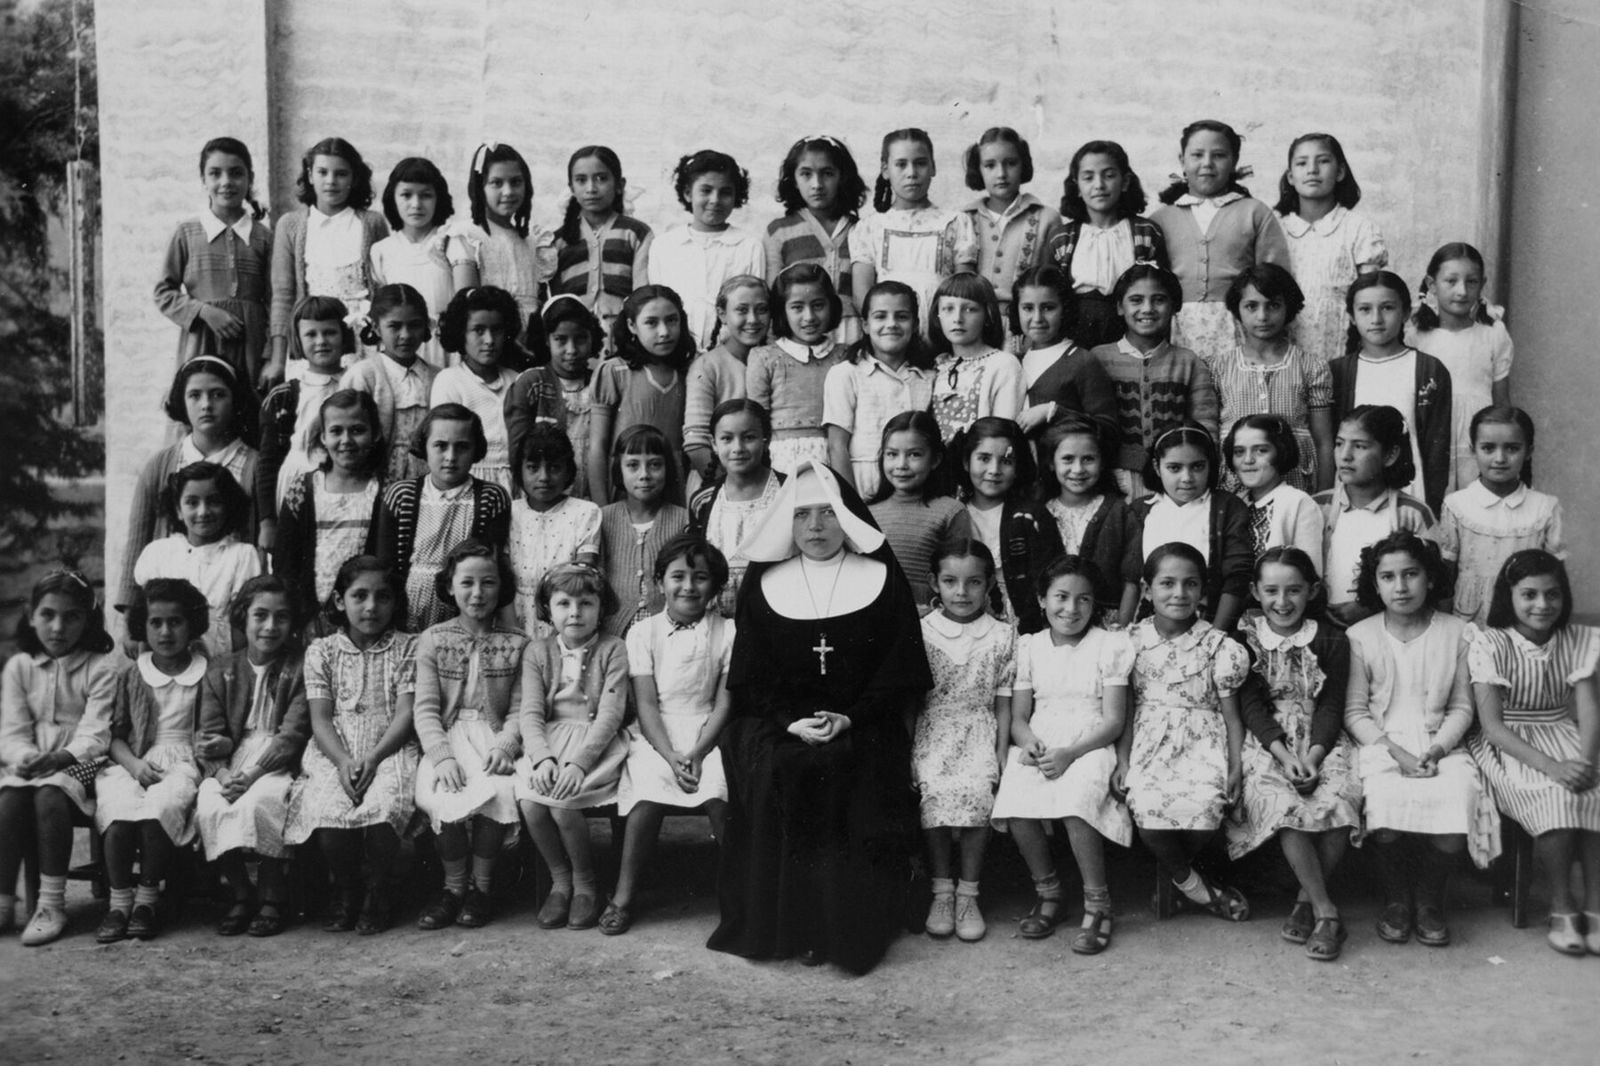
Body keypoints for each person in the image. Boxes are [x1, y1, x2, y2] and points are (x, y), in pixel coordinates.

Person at [708, 460, 932, 974]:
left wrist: (850, 719)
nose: (814, 527)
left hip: (865, 722)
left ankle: (844, 928)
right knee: (785, 770)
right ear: (786, 521)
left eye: (828, 513)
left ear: (849, 518)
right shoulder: (765, 584)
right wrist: (790, 722)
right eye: (803, 514)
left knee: (845, 770)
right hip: (779, 723)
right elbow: (751, 677)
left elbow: (899, 674)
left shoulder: (880, 578)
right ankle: (797, 925)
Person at [1345, 531, 1497, 947]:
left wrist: (1433, 751)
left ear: (1430, 579)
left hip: (1440, 744)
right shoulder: (1361, 636)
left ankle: (1429, 900)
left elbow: (1462, 708)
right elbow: (1355, 712)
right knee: (1383, 799)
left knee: (1458, 793)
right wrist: (1397, 753)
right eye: (1389, 577)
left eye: (1411, 574)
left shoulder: (1458, 633)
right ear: (1375, 585)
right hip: (1382, 744)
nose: (1401, 586)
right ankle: (1397, 900)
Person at [991, 557, 1134, 952]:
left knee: (1076, 804)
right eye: (1061, 597)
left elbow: (1114, 720)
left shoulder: (1110, 646)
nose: (1071, 609)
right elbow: (1019, 717)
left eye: (1083, 600)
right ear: (1042, 600)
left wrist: (1071, 753)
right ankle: (1050, 892)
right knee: (1016, 802)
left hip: (1090, 742)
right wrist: (1030, 740)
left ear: (1095, 605)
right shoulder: (1030, 646)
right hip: (1043, 738)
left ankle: (1098, 903)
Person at [1226, 549, 1360, 962]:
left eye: (1294, 590)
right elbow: (1251, 708)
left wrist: (1316, 756)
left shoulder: (1331, 638)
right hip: (1268, 741)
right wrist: (1285, 756)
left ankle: (1305, 901)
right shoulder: (1244, 638)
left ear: (1313, 591)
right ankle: (1327, 910)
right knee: (1283, 805)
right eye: (1271, 591)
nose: (1282, 602)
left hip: (1322, 737)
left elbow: (1333, 705)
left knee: (1338, 801)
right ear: (1255, 592)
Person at [1467, 550, 1600, 955]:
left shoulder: (1578, 638)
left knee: (1594, 791)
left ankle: (1594, 908)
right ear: (1510, 596)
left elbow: (1589, 710)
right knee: (1554, 795)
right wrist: (1554, 768)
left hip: (1563, 731)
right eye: (1529, 595)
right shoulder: (1490, 643)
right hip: (1510, 744)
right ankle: (1561, 907)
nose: (1542, 605)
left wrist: (1586, 762)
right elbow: (1492, 727)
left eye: (1552, 594)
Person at [1115, 543, 1252, 922]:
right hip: (1148, 740)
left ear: (1203, 591)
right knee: (1145, 805)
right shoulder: (1129, 642)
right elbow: (1125, 711)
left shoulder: (1218, 646)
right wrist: (1123, 760)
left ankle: (1171, 872)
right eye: (1167, 583)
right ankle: (1195, 887)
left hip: (1202, 741)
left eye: (1190, 584)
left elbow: (1232, 717)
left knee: (1207, 807)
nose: (1179, 594)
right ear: (1146, 590)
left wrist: (1236, 766)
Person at [607, 535, 736, 935]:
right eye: (677, 576)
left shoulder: (729, 631)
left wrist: (697, 752)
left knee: (718, 790)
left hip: (708, 732)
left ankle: (740, 891)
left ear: (715, 586)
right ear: (660, 583)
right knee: (647, 791)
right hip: (656, 735)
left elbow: (725, 704)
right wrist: (670, 755)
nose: (688, 586)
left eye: (700, 578)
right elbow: (646, 706)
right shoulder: (642, 633)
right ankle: (624, 894)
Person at [284, 556, 419, 935]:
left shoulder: (409, 647)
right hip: (335, 748)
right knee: (330, 812)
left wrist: (374, 759)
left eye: (383, 596)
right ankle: (347, 888)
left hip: (390, 746)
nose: (371, 606)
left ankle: (378, 889)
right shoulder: (322, 651)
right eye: (359, 596)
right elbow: (320, 718)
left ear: (396, 602)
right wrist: (343, 761)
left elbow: (406, 714)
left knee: (384, 805)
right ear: (341, 601)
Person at [412, 541, 527, 932]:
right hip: (447, 737)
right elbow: (425, 708)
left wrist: (507, 744)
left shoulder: (517, 643)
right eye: (467, 583)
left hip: (494, 738)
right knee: (445, 796)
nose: (477, 594)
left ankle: (482, 887)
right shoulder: (432, 639)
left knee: (499, 793)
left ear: (501, 587)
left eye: (488, 583)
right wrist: (442, 756)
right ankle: (453, 887)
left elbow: (519, 709)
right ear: (450, 587)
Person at [0, 571, 116, 947]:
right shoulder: (20, 666)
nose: (58, 627)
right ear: (31, 614)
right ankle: (3, 899)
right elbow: (12, 729)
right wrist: (24, 757)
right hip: (35, 762)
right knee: (9, 799)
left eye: (72, 617)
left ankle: (51, 904)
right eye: (48, 615)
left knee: (50, 794)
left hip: (85, 763)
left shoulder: (100, 667)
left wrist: (60, 758)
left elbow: (96, 734)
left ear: (88, 619)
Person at [515, 563, 630, 932]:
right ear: (548, 609)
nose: (575, 612)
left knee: (563, 806)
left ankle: (585, 884)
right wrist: (542, 757)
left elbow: (610, 716)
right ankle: (559, 880)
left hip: (594, 742)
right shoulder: (537, 651)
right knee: (531, 802)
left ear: (601, 607)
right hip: (549, 740)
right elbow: (530, 713)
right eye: (564, 603)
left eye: (586, 603)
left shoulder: (613, 649)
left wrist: (578, 763)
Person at [193, 575, 309, 938]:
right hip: (233, 762)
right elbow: (209, 734)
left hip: (276, 759)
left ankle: (272, 893)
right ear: (243, 617)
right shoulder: (220, 668)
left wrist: (253, 775)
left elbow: (292, 734)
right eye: (260, 616)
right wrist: (223, 774)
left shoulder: (301, 667)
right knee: (211, 804)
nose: (270, 627)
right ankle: (242, 892)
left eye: (281, 617)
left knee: (262, 802)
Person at [913, 540, 1016, 943]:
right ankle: (942, 889)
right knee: (934, 791)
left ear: (989, 583)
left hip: (980, 727)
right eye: (951, 581)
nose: (961, 592)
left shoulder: (1004, 635)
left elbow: (1004, 702)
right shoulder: (921, 632)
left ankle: (968, 892)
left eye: (974, 582)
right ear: (934, 583)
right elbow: (911, 701)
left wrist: (1002, 752)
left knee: (976, 792)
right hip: (933, 728)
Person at [96, 578, 210, 942]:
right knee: (118, 808)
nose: (165, 632)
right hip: (135, 759)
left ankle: (147, 901)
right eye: (155, 623)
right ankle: (118, 904)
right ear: (142, 626)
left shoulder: (206, 673)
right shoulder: (132, 674)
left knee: (159, 809)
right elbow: (115, 737)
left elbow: (216, 726)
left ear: (191, 624)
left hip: (183, 762)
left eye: (175, 622)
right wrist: (133, 765)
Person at [119, 356, 261, 614]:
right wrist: (131, 611)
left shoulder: (255, 465)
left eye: (218, 395)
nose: (206, 405)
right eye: (195, 395)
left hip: (229, 602)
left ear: (235, 399)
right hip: (169, 610)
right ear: (182, 402)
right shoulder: (161, 464)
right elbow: (138, 537)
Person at [1149, 119, 1289, 364]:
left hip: (1238, 328)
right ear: (1182, 160)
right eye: (1197, 155)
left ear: (1234, 161)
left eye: (1219, 155)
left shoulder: (1254, 212)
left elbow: (1275, 278)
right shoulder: (1160, 218)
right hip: (1177, 330)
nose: (1207, 164)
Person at [374, 404, 512, 633]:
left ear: (476, 449)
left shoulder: (491, 497)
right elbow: (385, 566)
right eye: (440, 446)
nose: (451, 457)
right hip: (405, 615)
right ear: (424, 446)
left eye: (462, 447)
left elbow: (493, 568)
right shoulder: (402, 495)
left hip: (466, 616)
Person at [1330, 270, 1453, 515]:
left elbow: (1437, 451)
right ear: (1352, 317)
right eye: (1365, 309)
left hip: (1409, 498)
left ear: (1406, 313)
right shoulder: (1338, 372)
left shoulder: (1428, 369)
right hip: (1351, 499)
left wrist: (1428, 508)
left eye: (1387, 308)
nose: (1376, 318)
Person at [1091, 264, 1219, 498]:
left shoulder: (1188, 362)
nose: (1147, 309)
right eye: (1136, 300)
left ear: (1174, 307)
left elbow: (1206, 424)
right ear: (1120, 307)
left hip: (1176, 480)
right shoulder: (1099, 359)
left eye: (1159, 300)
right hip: (1113, 478)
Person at [266, 137, 389, 382]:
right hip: (313, 340)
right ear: (310, 175)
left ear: (354, 179)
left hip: (362, 342)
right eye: (322, 172)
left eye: (341, 173)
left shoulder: (372, 223)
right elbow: (282, 296)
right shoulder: (290, 225)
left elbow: (384, 290)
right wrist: (278, 360)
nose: (331, 181)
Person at [154, 137, 273, 386]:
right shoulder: (187, 234)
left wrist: (271, 355)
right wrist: (203, 311)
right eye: (215, 174)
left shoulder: (263, 237)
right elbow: (164, 293)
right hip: (202, 342)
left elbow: (277, 300)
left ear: (249, 178)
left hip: (251, 347)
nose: (226, 182)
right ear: (203, 181)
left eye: (236, 173)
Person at [1438, 406, 1565, 626]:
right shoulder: (1457, 505)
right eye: (1488, 448)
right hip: (1470, 623)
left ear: (1529, 451)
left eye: (1512, 448)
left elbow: (1555, 577)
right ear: (1472, 450)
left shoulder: (1545, 508)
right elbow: (1445, 578)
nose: (1500, 458)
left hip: (1526, 622)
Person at [272, 389, 385, 634]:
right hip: (310, 621)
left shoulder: (384, 492)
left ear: (375, 434)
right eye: (336, 431)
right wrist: (300, 618)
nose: (346, 440)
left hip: (366, 621)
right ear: (322, 436)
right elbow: (285, 562)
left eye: (357, 430)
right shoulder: (303, 489)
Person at [1213, 264, 1334, 492]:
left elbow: (1323, 441)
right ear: (1237, 309)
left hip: (1295, 481)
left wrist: (1326, 497)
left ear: (1288, 308)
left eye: (1273, 306)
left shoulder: (1311, 367)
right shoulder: (1218, 367)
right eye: (1251, 306)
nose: (1262, 316)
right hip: (1235, 486)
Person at [1274, 133, 1387, 369]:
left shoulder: (1358, 229)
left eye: (1323, 161)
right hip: (1284, 343)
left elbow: (1370, 296)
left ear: (1340, 172)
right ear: (1291, 177)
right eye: (1302, 163)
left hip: (1340, 343)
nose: (1312, 170)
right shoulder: (1276, 228)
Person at [849, 128, 978, 334]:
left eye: (920, 163)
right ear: (885, 169)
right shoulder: (869, 228)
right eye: (901, 164)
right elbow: (863, 296)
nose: (911, 173)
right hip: (890, 334)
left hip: (942, 332)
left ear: (933, 167)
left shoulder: (955, 222)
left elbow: (964, 291)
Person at [1408, 242, 1514, 493]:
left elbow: (1501, 400)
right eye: (1451, 281)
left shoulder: (1493, 334)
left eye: (1471, 282)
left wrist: (1503, 444)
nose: (1462, 291)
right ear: (1432, 284)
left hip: (1477, 439)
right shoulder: (1416, 336)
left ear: (1482, 284)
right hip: (1432, 436)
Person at [132, 461, 263, 659]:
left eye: (214, 501)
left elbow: (243, 626)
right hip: (166, 664)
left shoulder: (242, 555)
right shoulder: (157, 553)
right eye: (192, 503)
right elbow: (146, 622)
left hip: (220, 663)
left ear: (228, 505)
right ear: (178, 509)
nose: (203, 512)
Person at [1047, 139, 1168, 349]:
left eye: (1109, 175)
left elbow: (1163, 290)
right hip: (1077, 334)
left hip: (1132, 331)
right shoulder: (1062, 239)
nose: (1099, 185)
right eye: (1088, 177)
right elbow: (1051, 294)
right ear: (1076, 185)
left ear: (1125, 181)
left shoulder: (1147, 233)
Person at [1131, 425, 1253, 632]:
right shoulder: (1141, 510)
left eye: (1197, 467)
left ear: (1210, 466)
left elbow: (1236, 578)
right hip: (1151, 626)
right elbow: (1131, 578)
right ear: (1156, 466)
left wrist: (1215, 637)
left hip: (1209, 623)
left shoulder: (1227, 507)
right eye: (1174, 468)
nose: (1187, 478)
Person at [823, 280, 935, 496]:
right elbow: (837, 447)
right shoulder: (846, 374)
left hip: (916, 494)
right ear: (865, 325)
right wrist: (852, 506)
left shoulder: (928, 376)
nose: (891, 324)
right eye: (880, 316)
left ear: (915, 324)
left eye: (901, 316)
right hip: (863, 489)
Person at [648, 149, 766, 349]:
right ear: (687, 193)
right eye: (705, 190)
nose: (715, 200)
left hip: (731, 350)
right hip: (675, 348)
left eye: (725, 192)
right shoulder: (664, 246)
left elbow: (755, 304)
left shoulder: (748, 245)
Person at [256, 296, 356, 525]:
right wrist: (267, 521)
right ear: (298, 339)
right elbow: (268, 461)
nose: (321, 341)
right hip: (297, 482)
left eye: (330, 332)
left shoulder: (356, 383)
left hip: (345, 482)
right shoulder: (285, 395)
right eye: (311, 334)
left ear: (344, 334)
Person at [369, 156, 476, 369]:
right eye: (406, 195)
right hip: (402, 346)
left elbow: (467, 304)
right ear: (393, 198)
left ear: (439, 199)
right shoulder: (382, 250)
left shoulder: (451, 240)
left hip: (446, 346)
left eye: (426, 195)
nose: (416, 204)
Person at [764, 135, 869, 345]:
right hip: (799, 336)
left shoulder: (863, 230)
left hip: (851, 335)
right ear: (793, 179)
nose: (817, 184)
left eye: (827, 174)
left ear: (842, 177)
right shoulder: (779, 231)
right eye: (806, 174)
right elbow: (773, 297)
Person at [746, 264, 849, 474]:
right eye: (797, 307)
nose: (809, 317)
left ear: (832, 306)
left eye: (818, 305)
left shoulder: (845, 356)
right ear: (782, 310)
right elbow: (757, 423)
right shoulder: (764, 357)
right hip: (780, 461)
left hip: (835, 458)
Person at [958, 127, 1061, 332]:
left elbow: (1054, 282)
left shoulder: (1047, 218)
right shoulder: (964, 218)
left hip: (1029, 327)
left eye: (1011, 163)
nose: (1001, 174)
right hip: (976, 328)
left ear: (1023, 165)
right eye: (990, 165)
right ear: (978, 169)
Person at [867, 411, 972, 610]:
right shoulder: (867, 512)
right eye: (892, 454)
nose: (901, 465)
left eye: (914, 455)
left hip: (928, 616)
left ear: (935, 459)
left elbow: (958, 574)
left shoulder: (950, 511)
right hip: (875, 615)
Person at [689, 399, 784, 616]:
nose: (738, 448)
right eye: (727, 439)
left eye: (749, 437)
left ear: (766, 440)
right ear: (713, 444)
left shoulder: (787, 491)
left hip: (774, 613)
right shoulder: (703, 500)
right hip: (718, 619)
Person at [339, 282, 439, 482]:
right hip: (377, 479)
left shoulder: (437, 377)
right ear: (376, 327)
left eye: (414, 325)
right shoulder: (363, 375)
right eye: (394, 326)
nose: (406, 335)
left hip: (429, 480)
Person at [550, 145, 653, 332]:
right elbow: (555, 299)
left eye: (601, 179)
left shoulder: (636, 233)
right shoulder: (559, 240)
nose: (591, 188)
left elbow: (642, 294)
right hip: (575, 336)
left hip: (624, 331)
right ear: (571, 188)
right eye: (581, 180)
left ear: (619, 185)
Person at [455, 142, 555, 332]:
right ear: (480, 186)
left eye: (516, 182)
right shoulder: (468, 236)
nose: (508, 192)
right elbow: (467, 307)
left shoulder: (533, 240)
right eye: (497, 183)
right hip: (490, 340)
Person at [432, 285, 522, 492]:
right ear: (461, 333)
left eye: (497, 330)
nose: (489, 340)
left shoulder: (516, 381)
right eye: (478, 330)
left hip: (515, 483)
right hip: (469, 484)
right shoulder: (450, 381)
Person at [1224, 414, 1325, 560]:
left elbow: (1310, 572)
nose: (1248, 460)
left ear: (1280, 452)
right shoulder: (1233, 504)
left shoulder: (1299, 503)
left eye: (1261, 450)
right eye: (1239, 452)